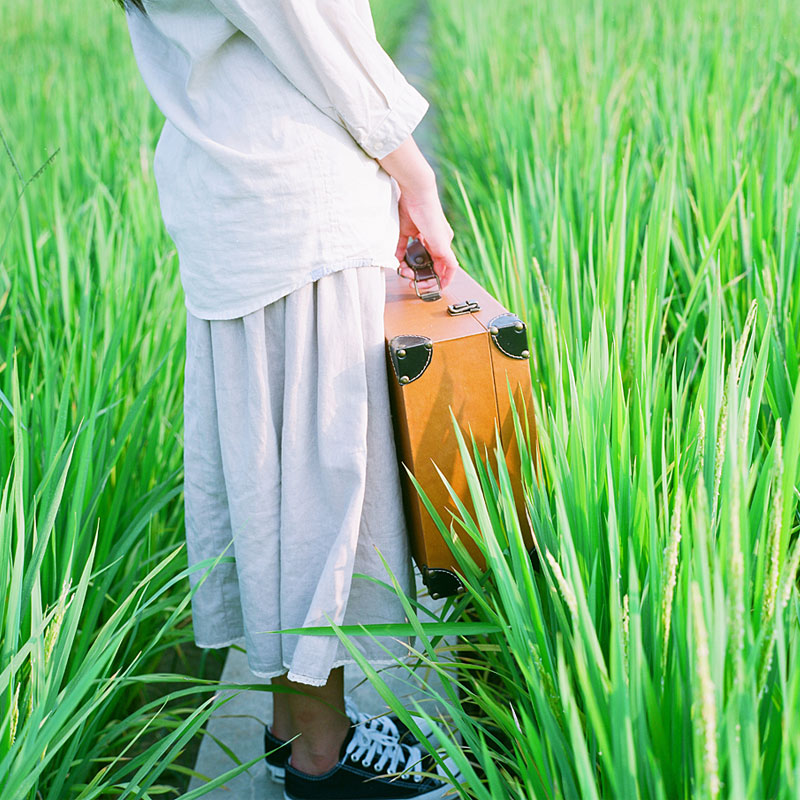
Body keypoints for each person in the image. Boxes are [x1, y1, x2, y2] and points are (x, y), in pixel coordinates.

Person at [121, 0, 459, 798]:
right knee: (319, 487)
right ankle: (318, 754)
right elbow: (310, 17)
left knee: (280, 487)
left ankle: (299, 727)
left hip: (232, 186)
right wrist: (414, 172)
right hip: (294, 192)